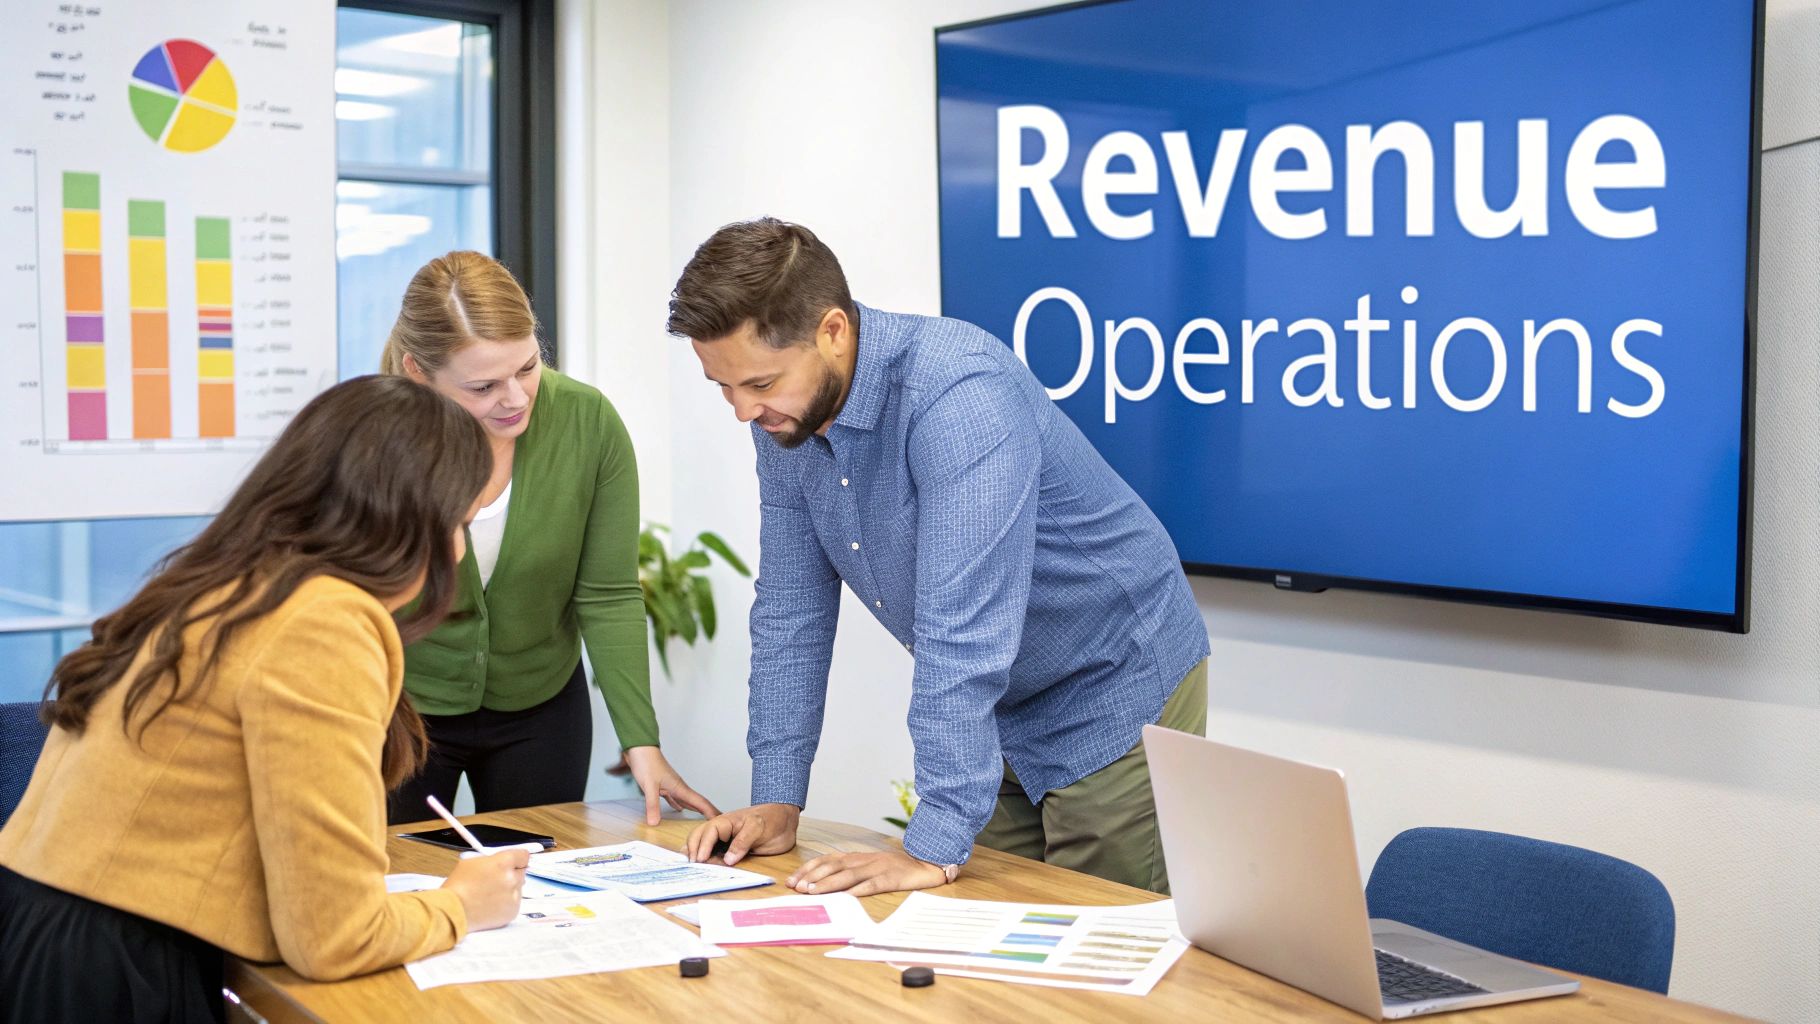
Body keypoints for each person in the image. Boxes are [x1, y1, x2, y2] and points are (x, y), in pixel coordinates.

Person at [673, 218, 1211, 898]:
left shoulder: (959, 395)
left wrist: (933, 841)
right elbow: (790, 611)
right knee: (981, 938)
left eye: (758, 383)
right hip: (1001, 704)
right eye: (723, 387)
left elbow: (963, 628)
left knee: (1098, 952)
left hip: (1111, 681)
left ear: (832, 331)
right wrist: (779, 796)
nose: (742, 412)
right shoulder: (786, 422)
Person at [0, 376, 526, 1022]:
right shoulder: (323, 620)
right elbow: (334, 938)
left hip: (47, 934)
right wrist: (461, 906)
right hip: (117, 969)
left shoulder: (227, 585)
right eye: (460, 521)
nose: (457, 548)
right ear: (405, 518)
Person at [379, 252, 715, 826]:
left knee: (539, 894)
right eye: (483, 386)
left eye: (528, 368)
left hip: (541, 712)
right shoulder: (374, 442)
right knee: (391, 887)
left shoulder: (588, 424)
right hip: (400, 710)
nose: (515, 398)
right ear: (417, 372)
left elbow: (607, 595)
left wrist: (642, 742)